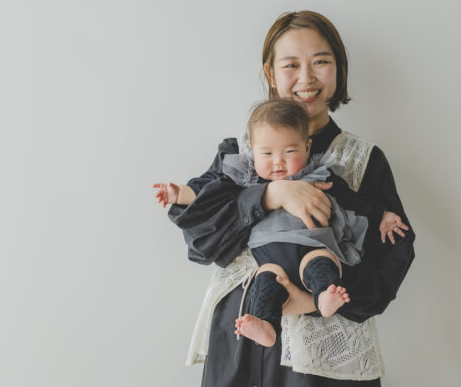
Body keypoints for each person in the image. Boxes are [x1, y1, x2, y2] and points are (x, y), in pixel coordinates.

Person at [167, 11, 416, 387]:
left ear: (339, 69)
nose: (306, 77)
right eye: (290, 64)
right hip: (242, 344)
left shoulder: (360, 159)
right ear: (270, 71)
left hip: (325, 356)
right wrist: (272, 193)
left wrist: (317, 299)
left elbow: (392, 258)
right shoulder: (242, 155)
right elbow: (201, 236)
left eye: (321, 62)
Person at [153, 98, 408, 347]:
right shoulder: (247, 177)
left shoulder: (319, 174)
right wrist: (179, 193)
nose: (278, 161)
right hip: (270, 256)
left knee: (321, 262)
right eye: (267, 153)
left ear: (307, 148)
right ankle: (266, 325)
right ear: (252, 151)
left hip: (313, 245)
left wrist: (381, 216)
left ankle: (324, 296)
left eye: (290, 151)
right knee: (266, 279)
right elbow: (208, 192)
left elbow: (353, 201)